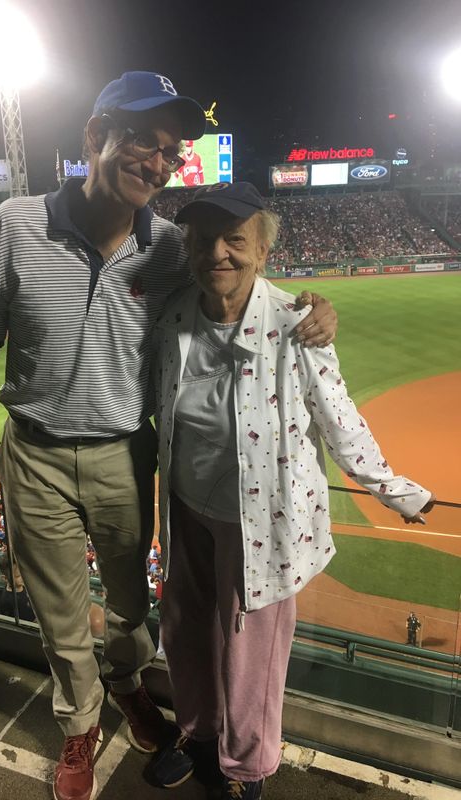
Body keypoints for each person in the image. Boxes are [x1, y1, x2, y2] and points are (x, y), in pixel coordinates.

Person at [0, 73, 337, 800]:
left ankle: (129, 687)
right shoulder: (14, 224)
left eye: (169, 152)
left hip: (126, 456)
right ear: (96, 137)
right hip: (31, 451)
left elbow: (240, 283)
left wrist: (316, 307)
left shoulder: (169, 248)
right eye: (143, 142)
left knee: (132, 607)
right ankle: (78, 726)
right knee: (59, 612)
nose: (158, 163)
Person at [151, 182, 435, 800]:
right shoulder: (172, 314)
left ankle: (246, 768)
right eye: (204, 242)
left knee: (251, 653)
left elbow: (338, 419)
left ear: (263, 250)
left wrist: (396, 490)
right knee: (185, 627)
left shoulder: (295, 325)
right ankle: (197, 735)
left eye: (235, 240)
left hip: (264, 522)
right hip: (185, 507)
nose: (218, 254)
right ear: (188, 249)